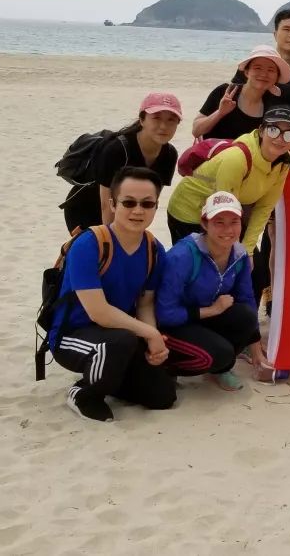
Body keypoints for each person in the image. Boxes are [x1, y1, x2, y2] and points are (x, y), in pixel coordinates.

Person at [49, 167, 174, 422]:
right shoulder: (89, 244)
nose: (138, 211)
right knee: (120, 342)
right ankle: (84, 392)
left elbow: (145, 304)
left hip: (118, 333)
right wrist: (149, 333)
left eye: (147, 204)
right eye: (128, 202)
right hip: (71, 335)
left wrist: (151, 340)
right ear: (113, 204)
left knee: (162, 396)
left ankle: (109, 377)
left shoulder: (153, 248)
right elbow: (99, 312)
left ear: (155, 206)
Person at [156, 192, 267, 391]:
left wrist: (257, 352)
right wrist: (211, 310)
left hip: (204, 319)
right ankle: (168, 367)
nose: (228, 230)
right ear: (204, 224)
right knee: (221, 354)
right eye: (219, 222)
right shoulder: (183, 256)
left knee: (246, 316)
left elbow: (247, 300)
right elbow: (163, 314)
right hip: (174, 325)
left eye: (234, 222)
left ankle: (220, 369)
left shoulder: (239, 254)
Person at [167, 105, 290, 251]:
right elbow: (225, 211)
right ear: (261, 130)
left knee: (254, 263)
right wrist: (236, 255)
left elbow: (264, 208)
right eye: (273, 130)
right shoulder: (237, 158)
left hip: (226, 214)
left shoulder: (283, 162)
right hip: (189, 212)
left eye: (289, 135)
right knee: (207, 262)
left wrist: (248, 249)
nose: (280, 139)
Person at [62, 93, 182, 235]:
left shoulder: (169, 154)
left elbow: (150, 200)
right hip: (87, 209)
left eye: (171, 120)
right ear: (142, 120)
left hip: (127, 210)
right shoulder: (117, 149)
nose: (163, 126)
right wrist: (111, 239)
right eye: (156, 118)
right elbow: (106, 205)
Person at [192, 46, 290, 140]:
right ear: (247, 72)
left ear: (277, 77)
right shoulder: (225, 92)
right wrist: (220, 113)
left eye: (271, 70)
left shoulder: (273, 108)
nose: (264, 74)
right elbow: (196, 131)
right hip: (213, 152)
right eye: (258, 68)